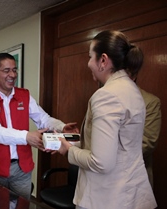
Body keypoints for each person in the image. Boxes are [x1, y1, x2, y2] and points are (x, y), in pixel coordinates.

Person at [57, 30, 157, 209]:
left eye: (90, 57)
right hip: (131, 193)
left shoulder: (106, 95)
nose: (88, 63)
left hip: (107, 197)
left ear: (103, 60)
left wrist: (68, 150)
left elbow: (101, 162)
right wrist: (81, 139)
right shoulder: (132, 90)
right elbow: (119, 145)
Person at [0, 53, 79, 199]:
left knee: (22, 205)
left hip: (22, 169)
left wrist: (61, 127)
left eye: (14, 70)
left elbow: (43, 119)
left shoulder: (24, 96)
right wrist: (27, 136)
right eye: (6, 70)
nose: (12, 74)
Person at [127, 71, 162, 188]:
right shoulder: (103, 98)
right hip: (103, 180)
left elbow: (147, 142)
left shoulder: (150, 102)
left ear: (133, 75)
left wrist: (106, 154)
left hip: (134, 178)